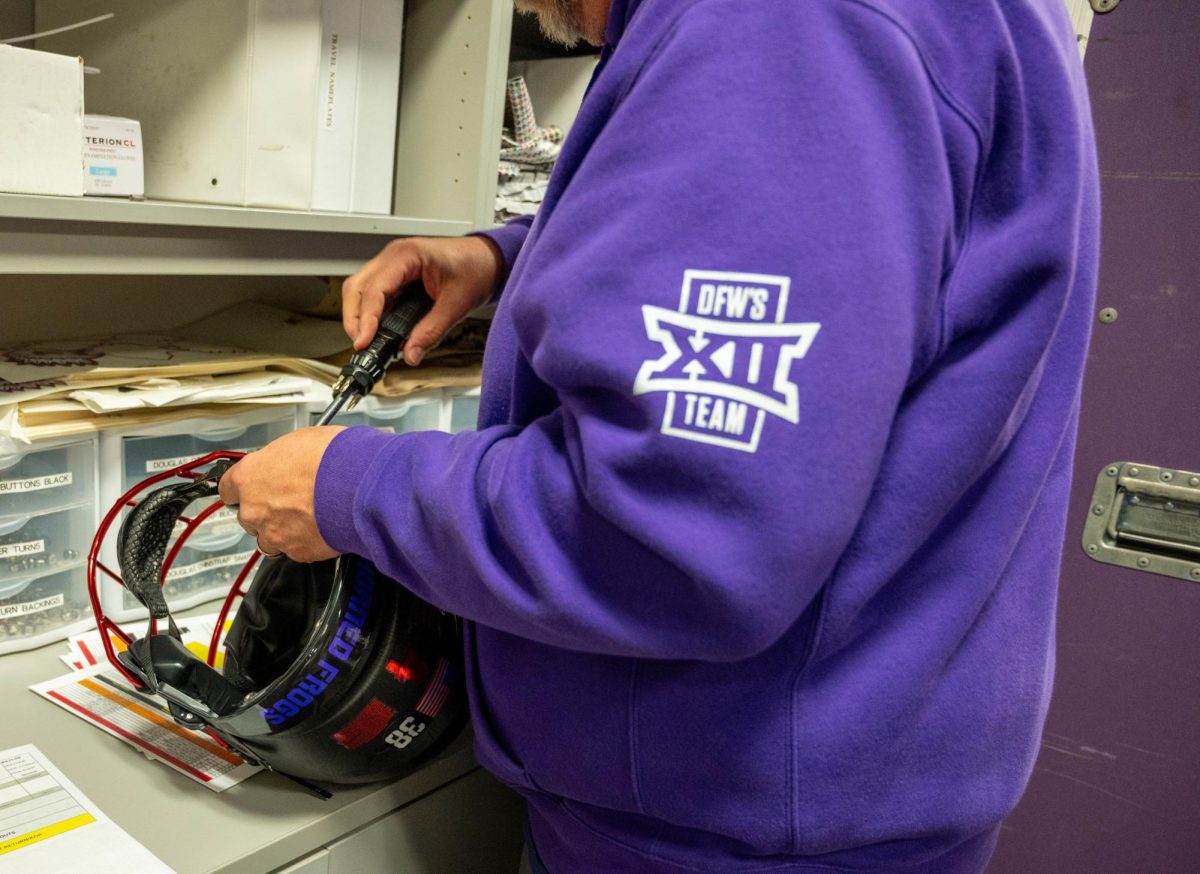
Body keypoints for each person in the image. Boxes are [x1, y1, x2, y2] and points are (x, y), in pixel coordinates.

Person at [218, 0, 1100, 870]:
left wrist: (349, 488)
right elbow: (827, 233)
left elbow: (675, 536)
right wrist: (510, 255)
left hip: (728, 825)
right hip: (838, 766)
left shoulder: (782, 21)